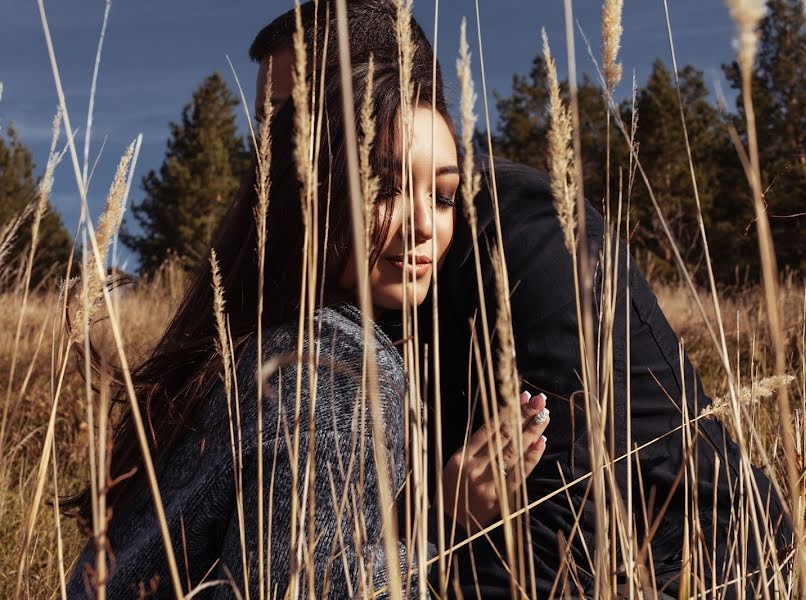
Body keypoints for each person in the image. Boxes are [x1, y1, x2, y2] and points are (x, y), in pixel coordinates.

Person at [249, 3, 792, 599]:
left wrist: (422, 526)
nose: (273, 151)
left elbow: (563, 523)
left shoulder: (530, 235)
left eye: (293, 120)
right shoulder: (339, 269)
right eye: (265, 127)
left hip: (691, 565)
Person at [63, 3, 552, 598]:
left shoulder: (263, 347)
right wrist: (443, 526)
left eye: (444, 195)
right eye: (387, 185)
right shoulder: (332, 365)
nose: (425, 224)